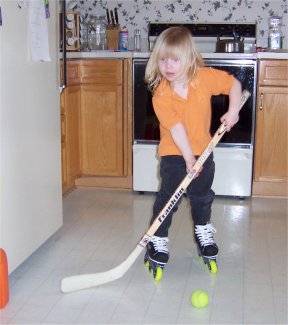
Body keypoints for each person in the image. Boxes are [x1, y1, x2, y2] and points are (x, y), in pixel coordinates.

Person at [144, 26, 242, 272]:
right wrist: (189, 159)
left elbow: (233, 85)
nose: (168, 65)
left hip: (204, 151)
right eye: (163, 59)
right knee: (169, 199)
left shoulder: (203, 77)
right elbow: (176, 130)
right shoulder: (161, 94)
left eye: (175, 59)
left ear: (188, 58)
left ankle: (203, 233)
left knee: (201, 197)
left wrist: (233, 111)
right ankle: (158, 239)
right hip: (175, 154)